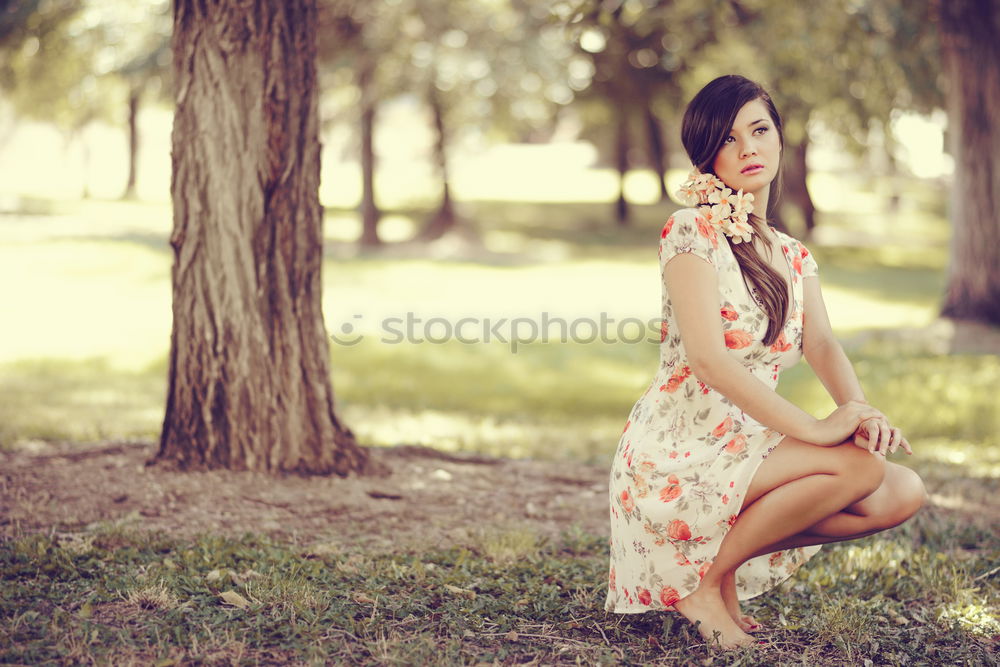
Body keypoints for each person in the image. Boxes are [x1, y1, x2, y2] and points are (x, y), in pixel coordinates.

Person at [603, 75, 928, 650]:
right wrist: (818, 428)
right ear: (707, 155)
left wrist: (859, 411)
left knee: (900, 491)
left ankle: (716, 571)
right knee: (857, 470)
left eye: (759, 130)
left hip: (749, 439)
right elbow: (707, 359)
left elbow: (822, 345)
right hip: (682, 445)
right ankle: (704, 584)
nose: (748, 149)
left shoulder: (792, 254)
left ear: (781, 138)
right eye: (728, 140)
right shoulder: (691, 230)